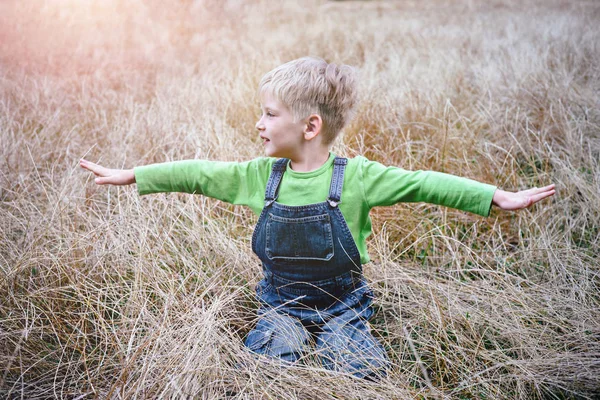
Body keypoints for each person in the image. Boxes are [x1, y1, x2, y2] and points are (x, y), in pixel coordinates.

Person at [80, 57, 555, 380]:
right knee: (266, 366)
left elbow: (424, 182)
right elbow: (199, 174)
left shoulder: (359, 178)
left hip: (343, 303)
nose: (259, 124)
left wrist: (495, 196)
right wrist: (133, 175)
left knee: (357, 370)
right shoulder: (257, 176)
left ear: (310, 126)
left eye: (269, 114)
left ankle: (349, 342)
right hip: (280, 303)